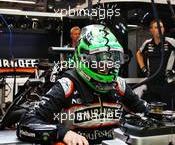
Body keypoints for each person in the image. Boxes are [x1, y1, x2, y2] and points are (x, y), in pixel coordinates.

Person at [17, 24, 148, 145]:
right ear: (84, 59)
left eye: (112, 59)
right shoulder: (67, 86)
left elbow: (144, 111)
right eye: (101, 60)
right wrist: (62, 133)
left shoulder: (119, 85)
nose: (108, 66)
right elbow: (26, 123)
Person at [136, 19, 175, 109]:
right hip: (152, 82)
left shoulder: (171, 42)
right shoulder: (147, 43)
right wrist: (143, 68)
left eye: (161, 27)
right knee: (151, 110)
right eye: (157, 27)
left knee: (166, 111)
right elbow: (139, 53)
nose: (159, 29)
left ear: (164, 29)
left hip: (166, 83)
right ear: (151, 30)